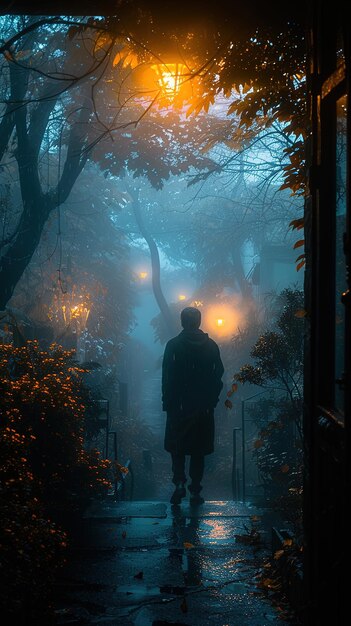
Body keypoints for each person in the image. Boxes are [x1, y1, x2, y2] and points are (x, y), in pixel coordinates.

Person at [162, 306, 224, 506]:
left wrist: (168, 402)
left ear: (182, 322)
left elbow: (167, 377)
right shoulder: (212, 346)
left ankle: (179, 484)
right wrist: (211, 400)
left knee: (177, 448)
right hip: (203, 407)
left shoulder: (173, 345)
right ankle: (195, 491)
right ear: (199, 321)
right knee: (198, 450)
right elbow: (218, 375)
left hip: (178, 406)